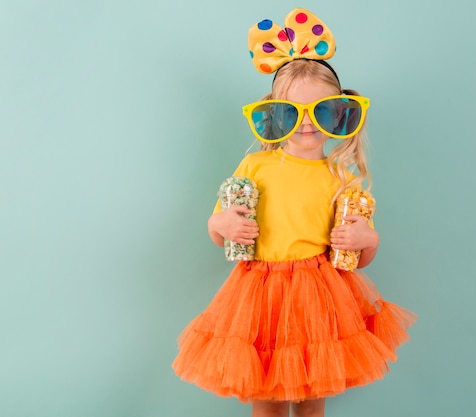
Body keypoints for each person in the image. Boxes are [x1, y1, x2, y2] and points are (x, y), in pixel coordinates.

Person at [172, 8, 417, 417]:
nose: (306, 124)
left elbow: (359, 258)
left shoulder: (342, 178)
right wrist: (223, 223)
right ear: (274, 114)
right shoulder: (255, 168)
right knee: (264, 393)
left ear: (340, 112)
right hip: (257, 296)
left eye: (320, 111)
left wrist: (367, 240)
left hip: (318, 298)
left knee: (311, 395)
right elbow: (219, 228)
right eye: (292, 112)